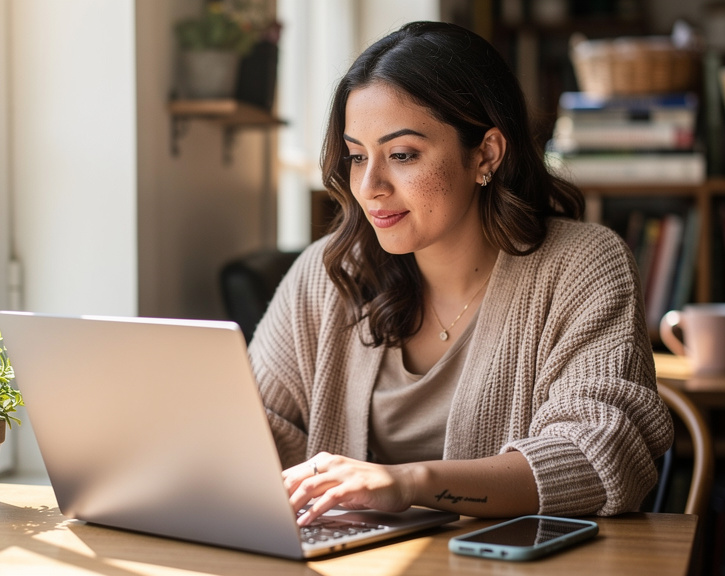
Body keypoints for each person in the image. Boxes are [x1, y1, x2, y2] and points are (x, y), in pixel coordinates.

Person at [248, 21, 673, 527]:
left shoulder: (583, 266)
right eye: (357, 156)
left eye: (402, 155)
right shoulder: (328, 274)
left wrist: (408, 483)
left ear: (486, 154)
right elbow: (255, 430)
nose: (369, 185)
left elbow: (600, 455)